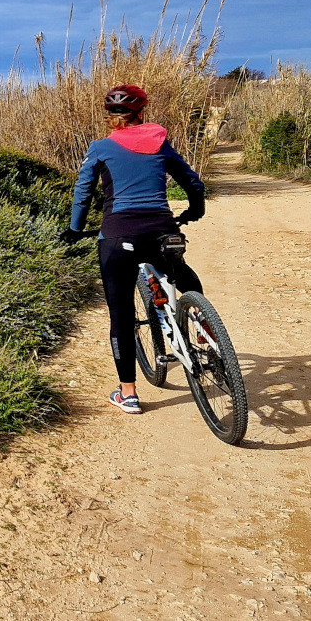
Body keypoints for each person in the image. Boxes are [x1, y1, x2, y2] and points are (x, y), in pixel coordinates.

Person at [61, 84, 205, 414]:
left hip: (118, 236)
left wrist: (74, 229)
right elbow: (193, 183)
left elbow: (83, 193)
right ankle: (203, 332)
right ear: (140, 114)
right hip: (161, 231)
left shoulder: (100, 148)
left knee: (121, 315)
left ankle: (128, 393)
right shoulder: (160, 143)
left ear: (110, 117)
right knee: (187, 281)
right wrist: (195, 210)